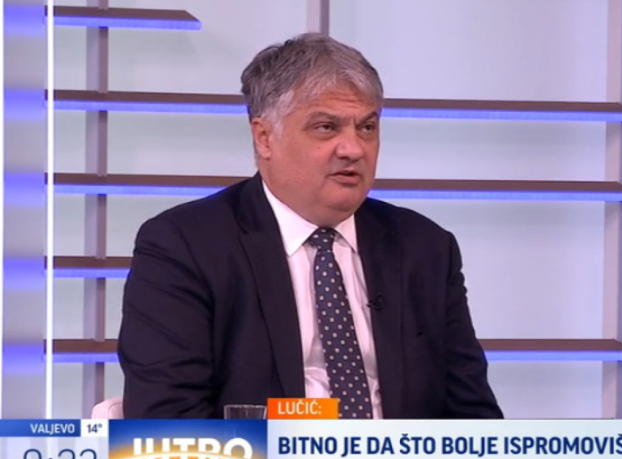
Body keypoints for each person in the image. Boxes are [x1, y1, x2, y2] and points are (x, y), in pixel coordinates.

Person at [117, 32, 503, 422]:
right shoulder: (186, 246)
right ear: (265, 137)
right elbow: (167, 426)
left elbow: (475, 422)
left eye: (367, 127)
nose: (353, 149)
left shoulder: (424, 248)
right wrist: (310, 451)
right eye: (326, 127)